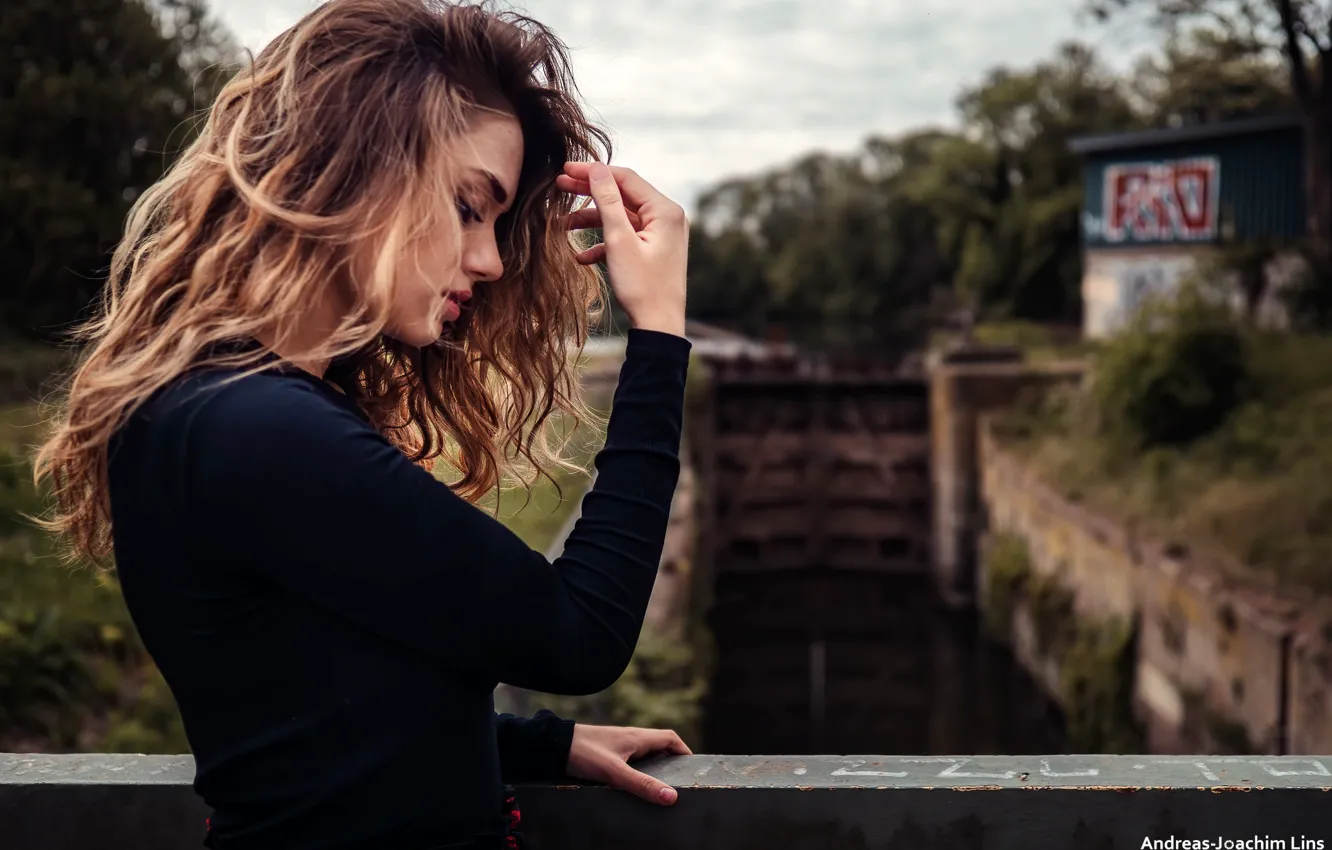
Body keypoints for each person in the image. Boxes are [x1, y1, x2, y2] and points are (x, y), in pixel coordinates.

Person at [32, 1, 694, 847]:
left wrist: (530, 744)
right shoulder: (255, 428)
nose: (491, 260)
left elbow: (305, 717)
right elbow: (580, 633)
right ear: (354, 168)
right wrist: (659, 332)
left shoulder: (220, 408)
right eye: (469, 206)